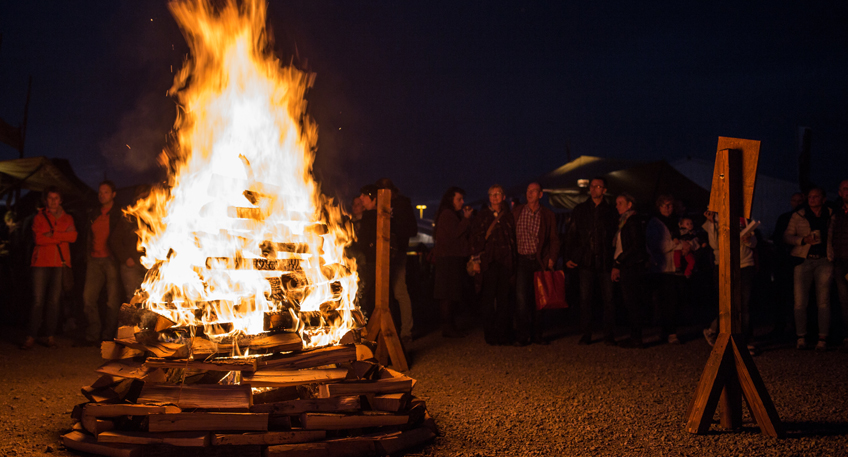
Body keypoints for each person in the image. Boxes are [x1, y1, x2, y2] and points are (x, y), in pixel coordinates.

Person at [21, 187, 78, 349]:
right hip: (40, 264)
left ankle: (49, 336)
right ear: (46, 200)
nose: (53, 201)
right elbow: (38, 239)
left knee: (54, 302)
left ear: (60, 200)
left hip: (59, 264)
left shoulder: (68, 218)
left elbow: (73, 237)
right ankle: (31, 336)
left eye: (56, 198)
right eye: (50, 198)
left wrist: (52, 235)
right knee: (38, 301)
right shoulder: (39, 218)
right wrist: (61, 236)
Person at [564, 177, 617, 345]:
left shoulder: (611, 211)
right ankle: (586, 333)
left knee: (608, 299)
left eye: (598, 186)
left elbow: (615, 237)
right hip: (586, 261)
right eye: (592, 186)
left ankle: (608, 334)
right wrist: (567, 256)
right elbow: (571, 234)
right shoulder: (580, 209)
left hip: (605, 260)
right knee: (585, 299)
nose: (594, 189)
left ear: (604, 190)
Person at [784, 187, 834, 351]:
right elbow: (787, 236)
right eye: (810, 197)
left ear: (823, 199)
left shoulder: (831, 214)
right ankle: (801, 337)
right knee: (800, 302)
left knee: (824, 301)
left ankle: (822, 338)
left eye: (815, 197)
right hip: (803, 260)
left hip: (824, 260)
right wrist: (802, 240)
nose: (812, 199)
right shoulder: (799, 215)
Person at [701, 211, 758, 355]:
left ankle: (747, 340)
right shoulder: (715, 220)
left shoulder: (742, 218)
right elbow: (714, 244)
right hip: (724, 265)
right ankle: (721, 337)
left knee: (745, 304)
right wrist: (712, 222)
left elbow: (754, 242)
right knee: (726, 304)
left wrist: (748, 239)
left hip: (745, 264)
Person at [512, 182, 559, 346]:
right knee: (521, 299)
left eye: (533, 191)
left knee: (540, 300)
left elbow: (554, 239)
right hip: (522, 260)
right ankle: (522, 335)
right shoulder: (517, 212)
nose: (529, 193)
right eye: (527, 190)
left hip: (539, 261)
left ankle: (537, 334)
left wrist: (552, 259)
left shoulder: (547, 214)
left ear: (540, 195)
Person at [470, 184, 517, 345]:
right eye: (491, 194)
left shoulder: (509, 216)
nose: (494, 197)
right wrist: (476, 259)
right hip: (488, 262)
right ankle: (490, 334)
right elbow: (475, 240)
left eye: (497, 194)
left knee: (504, 300)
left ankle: (503, 333)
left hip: (505, 262)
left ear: (503, 196)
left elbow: (513, 239)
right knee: (488, 300)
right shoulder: (482, 216)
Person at [80, 181, 123, 345]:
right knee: (88, 298)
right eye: (100, 192)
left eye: (105, 192)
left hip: (111, 260)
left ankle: (108, 336)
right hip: (94, 260)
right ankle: (93, 333)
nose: (101, 195)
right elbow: (88, 237)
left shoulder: (120, 213)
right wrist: (88, 256)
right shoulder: (94, 214)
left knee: (112, 301)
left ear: (113, 194)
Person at [376, 178, 418, 345]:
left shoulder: (402, 205)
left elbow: (412, 229)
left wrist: (393, 233)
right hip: (382, 254)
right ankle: (387, 329)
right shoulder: (380, 205)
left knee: (399, 291)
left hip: (398, 252)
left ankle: (406, 331)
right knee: (384, 294)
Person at [432, 186, 473, 337]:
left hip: (448, 258)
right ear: (451, 200)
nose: (462, 202)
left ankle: (449, 326)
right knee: (448, 294)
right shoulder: (448, 214)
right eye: (459, 199)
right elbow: (456, 233)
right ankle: (448, 326)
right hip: (449, 259)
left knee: (448, 293)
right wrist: (467, 219)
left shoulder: (447, 214)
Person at [767, 192, 806, 340]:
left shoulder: (805, 218)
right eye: (794, 200)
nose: (797, 203)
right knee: (781, 295)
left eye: (800, 200)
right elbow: (778, 238)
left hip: (800, 259)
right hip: (784, 261)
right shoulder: (784, 217)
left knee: (800, 295)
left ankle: (800, 328)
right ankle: (780, 327)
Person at [610, 193, 648, 348]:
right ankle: (634, 336)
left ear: (629, 204)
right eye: (616, 203)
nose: (617, 206)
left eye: (620, 203)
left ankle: (636, 338)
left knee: (632, 302)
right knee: (630, 302)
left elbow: (634, 245)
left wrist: (619, 261)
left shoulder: (632, 221)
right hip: (627, 265)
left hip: (631, 266)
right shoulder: (624, 221)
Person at [645, 194, 682, 344]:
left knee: (673, 302)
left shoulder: (676, 222)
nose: (667, 208)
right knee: (663, 302)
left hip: (675, 268)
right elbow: (657, 246)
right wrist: (678, 245)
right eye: (664, 205)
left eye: (670, 205)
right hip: (662, 268)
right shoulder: (655, 224)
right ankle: (667, 332)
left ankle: (670, 331)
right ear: (659, 207)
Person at [112, 186, 150, 304]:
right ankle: (131, 322)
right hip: (131, 266)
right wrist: (126, 258)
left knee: (152, 300)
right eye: (140, 198)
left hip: (150, 267)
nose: (143, 201)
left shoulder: (156, 217)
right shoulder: (129, 217)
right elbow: (114, 240)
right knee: (133, 300)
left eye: (146, 197)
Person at [832, 180, 848, 351]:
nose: (847, 191)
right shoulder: (836, 213)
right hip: (840, 262)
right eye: (844, 189)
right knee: (844, 301)